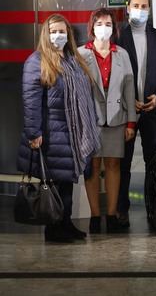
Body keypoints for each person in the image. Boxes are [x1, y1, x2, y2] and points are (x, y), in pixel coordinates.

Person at [18, 14, 101, 243]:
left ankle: (66, 223)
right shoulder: (37, 61)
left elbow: (85, 96)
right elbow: (31, 101)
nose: (58, 35)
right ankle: (54, 228)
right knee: (55, 183)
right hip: (52, 132)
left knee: (68, 182)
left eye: (62, 31)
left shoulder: (73, 59)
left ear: (69, 34)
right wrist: (34, 133)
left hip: (72, 132)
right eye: (53, 31)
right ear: (46, 33)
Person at [116, 0, 156, 227]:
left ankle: (154, 206)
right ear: (128, 7)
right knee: (123, 163)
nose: (140, 9)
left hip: (152, 108)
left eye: (144, 5)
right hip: (125, 109)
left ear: (150, 9)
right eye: (136, 5)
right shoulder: (117, 36)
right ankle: (121, 209)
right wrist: (128, 100)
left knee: (153, 160)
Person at [79, 8, 137, 233]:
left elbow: (130, 88)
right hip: (90, 120)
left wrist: (131, 122)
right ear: (92, 27)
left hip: (117, 118)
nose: (104, 28)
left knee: (114, 165)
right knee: (92, 167)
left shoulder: (121, 53)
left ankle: (111, 215)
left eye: (108, 24)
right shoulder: (81, 53)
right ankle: (95, 216)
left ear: (114, 28)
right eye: (99, 23)